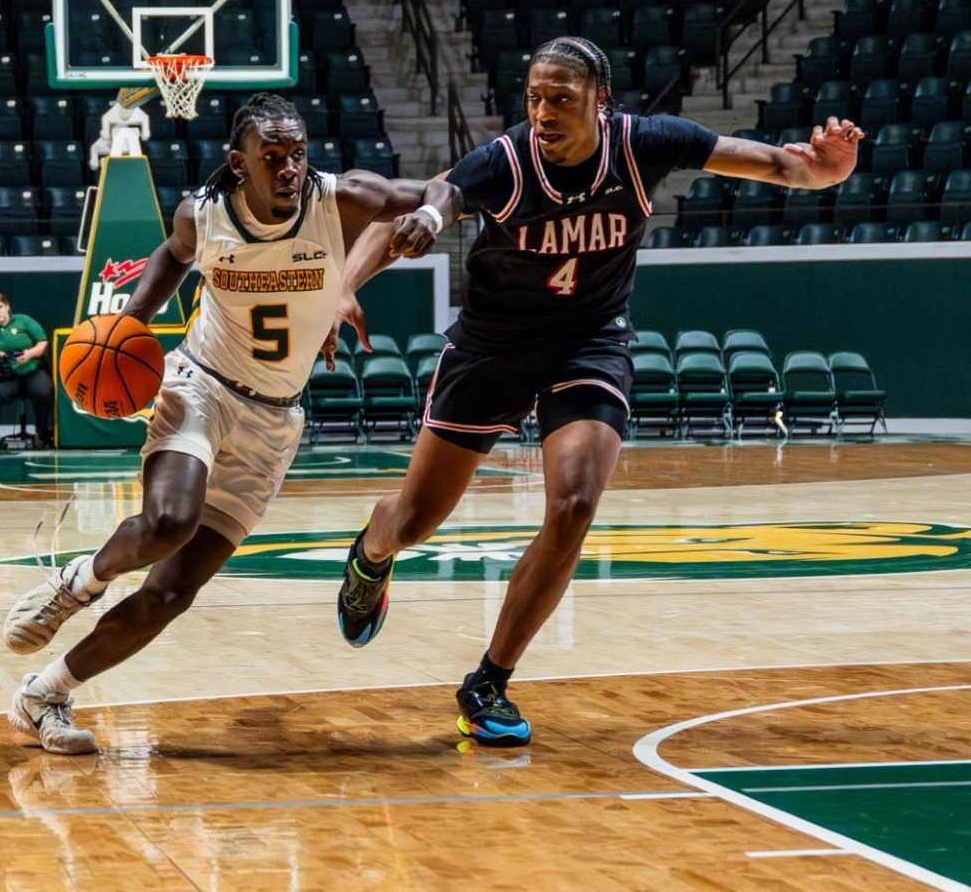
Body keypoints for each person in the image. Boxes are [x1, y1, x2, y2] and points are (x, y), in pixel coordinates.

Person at [330, 37, 862, 747]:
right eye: (534, 97)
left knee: (575, 503)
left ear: (599, 101)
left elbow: (771, 162)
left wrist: (823, 175)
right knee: (418, 518)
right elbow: (428, 201)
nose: (542, 112)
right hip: (494, 346)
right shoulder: (507, 161)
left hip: (590, 339)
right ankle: (373, 549)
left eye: (560, 98)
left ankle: (488, 681)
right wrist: (345, 286)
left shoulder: (647, 145)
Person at [0, 93, 462, 755]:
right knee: (168, 521)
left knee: (171, 594)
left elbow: (448, 186)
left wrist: (428, 213)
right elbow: (168, 256)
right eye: (271, 157)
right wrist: (128, 326)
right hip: (202, 388)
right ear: (237, 163)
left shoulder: (343, 200)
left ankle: (44, 694)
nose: (288, 169)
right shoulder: (206, 213)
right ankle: (81, 580)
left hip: (275, 422)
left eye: (296, 153)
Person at [0, 292, 53, 449]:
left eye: (0, 307)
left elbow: (43, 343)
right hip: (7, 377)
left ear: (8, 307)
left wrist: (29, 354)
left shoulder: (24, 321)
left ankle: (42, 431)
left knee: (43, 390)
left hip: (32, 371)